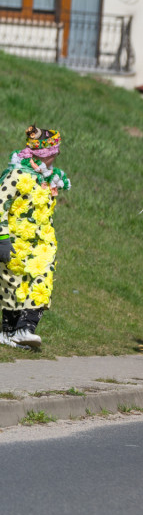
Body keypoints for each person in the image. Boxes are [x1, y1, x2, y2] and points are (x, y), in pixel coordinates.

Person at [0, 126, 71, 349]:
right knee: (15, 287)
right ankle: (8, 332)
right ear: (42, 153)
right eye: (53, 151)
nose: (56, 155)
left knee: (43, 283)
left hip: (42, 244)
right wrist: (2, 238)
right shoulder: (16, 175)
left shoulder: (47, 178)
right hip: (15, 242)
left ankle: (26, 329)